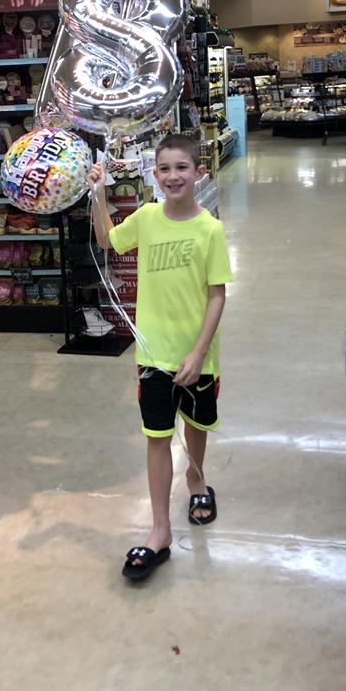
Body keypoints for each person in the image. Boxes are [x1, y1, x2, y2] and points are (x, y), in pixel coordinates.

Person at [88, 133, 233, 582]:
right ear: (154, 175)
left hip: (197, 356)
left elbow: (217, 295)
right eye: (165, 169)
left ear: (198, 172)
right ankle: (160, 529)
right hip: (153, 353)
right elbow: (107, 240)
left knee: (196, 426)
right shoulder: (147, 217)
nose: (173, 176)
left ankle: (197, 479)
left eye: (182, 168)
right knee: (156, 436)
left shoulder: (209, 228)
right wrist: (97, 194)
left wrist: (199, 351)